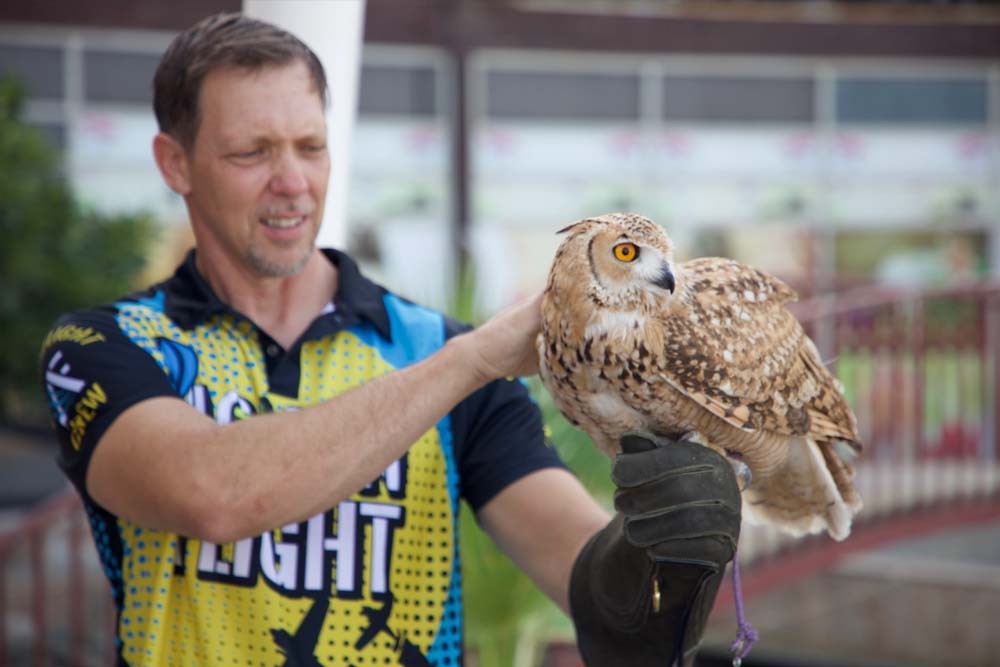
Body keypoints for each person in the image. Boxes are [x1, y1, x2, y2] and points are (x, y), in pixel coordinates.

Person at [40, 12, 740, 667]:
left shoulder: (435, 347)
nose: (293, 182)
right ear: (175, 163)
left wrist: (666, 547)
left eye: (311, 147)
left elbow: (605, 601)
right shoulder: (105, 344)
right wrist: (472, 359)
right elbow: (214, 493)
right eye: (251, 152)